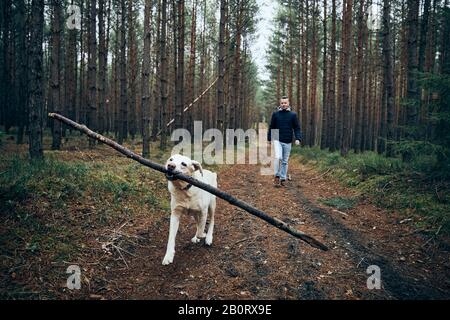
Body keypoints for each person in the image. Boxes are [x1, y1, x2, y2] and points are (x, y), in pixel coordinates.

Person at [267, 96, 302, 187]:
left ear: (288, 103)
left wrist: (298, 138)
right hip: (277, 140)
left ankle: (283, 178)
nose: (283, 104)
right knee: (278, 157)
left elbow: (297, 128)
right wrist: (270, 138)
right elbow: (272, 127)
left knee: (285, 161)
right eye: (282, 103)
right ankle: (276, 176)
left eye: (285, 103)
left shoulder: (293, 115)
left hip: (288, 140)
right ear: (280, 103)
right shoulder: (275, 114)